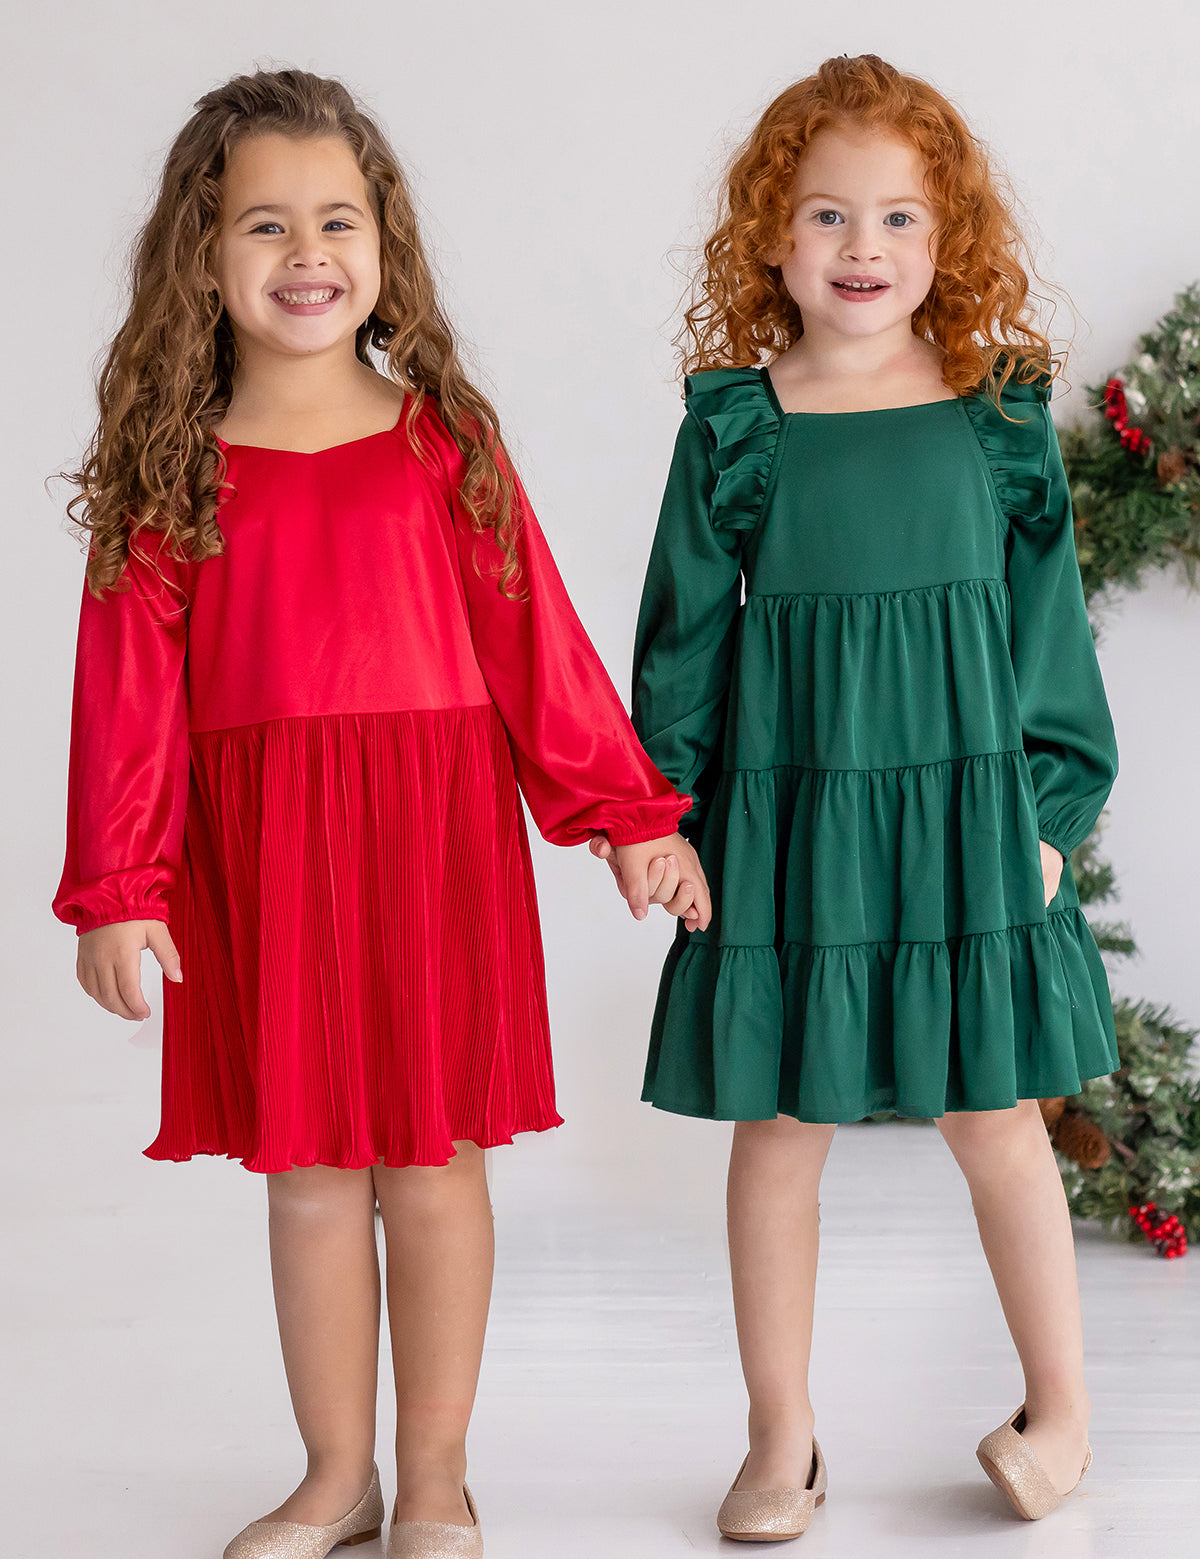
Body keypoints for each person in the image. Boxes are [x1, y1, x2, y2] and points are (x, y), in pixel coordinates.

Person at [51, 67, 709, 1559]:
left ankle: (435, 1479)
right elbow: (125, 696)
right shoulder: (171, 471)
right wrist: (119, 887)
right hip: (267, 851)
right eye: (264, 224)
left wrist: (626, 814)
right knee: (307, 1180)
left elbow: (534, 642)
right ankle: (336, 1473)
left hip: (431, 843)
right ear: (201, 256)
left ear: (383, 241)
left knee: (434, 1167)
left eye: (336, 220)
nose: (307, 254)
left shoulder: (442, 439)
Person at [594, 53, 1118, 1540]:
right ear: (773, 234)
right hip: (794, 817)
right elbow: (683, 637)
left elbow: (1049, 634)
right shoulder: (739, 427)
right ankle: (782, 1437)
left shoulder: (996, 418)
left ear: (950, 239)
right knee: (778, 1132)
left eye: (898, 218)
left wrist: (1047, 815)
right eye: (827, 214)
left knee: (996, 1115)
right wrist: (660, 814)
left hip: (965, 819)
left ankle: (1064, 1412)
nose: (863, 248)